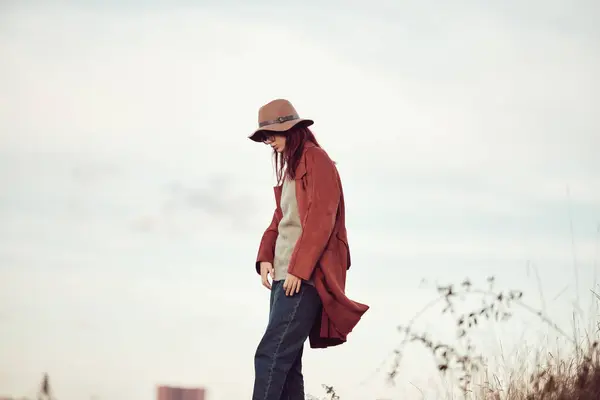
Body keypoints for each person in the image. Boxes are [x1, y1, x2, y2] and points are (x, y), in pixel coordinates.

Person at [248, 99, 369, 400]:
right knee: (287, 365)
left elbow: (321, 218)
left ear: (292, 130)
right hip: (283, 275)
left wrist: (300, 271)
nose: (269, 142)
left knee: (270, 355)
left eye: (272, 134)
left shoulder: (317, 160)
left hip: (303, 276)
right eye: (265, 137)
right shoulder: (291, 169)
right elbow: (281, 218)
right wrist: (265, 257)